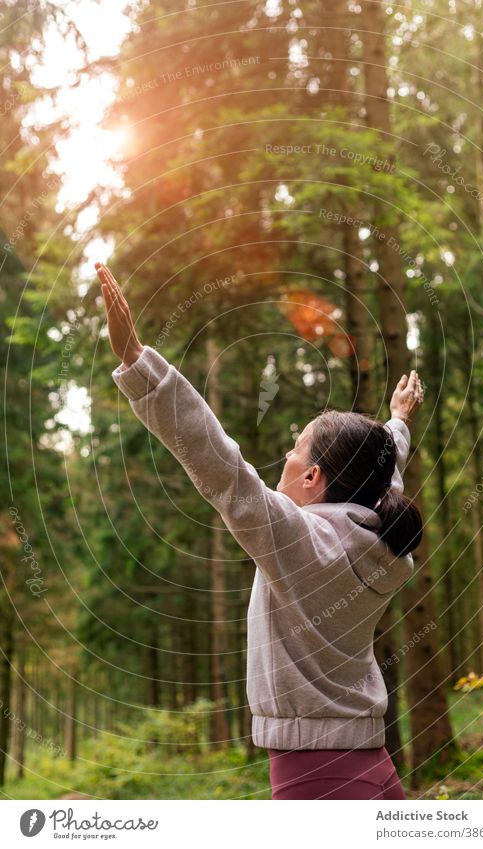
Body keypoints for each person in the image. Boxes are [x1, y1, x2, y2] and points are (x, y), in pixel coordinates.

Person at [96, 261, 425, 800]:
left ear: (314, 477)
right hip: (372, 761)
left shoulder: (298, 542)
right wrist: (399, 423)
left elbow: (221, 466)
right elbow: (382, 475)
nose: (285, 457)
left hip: (315, 779)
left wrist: (137, 362)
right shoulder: (381, 541)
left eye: (296, 450)